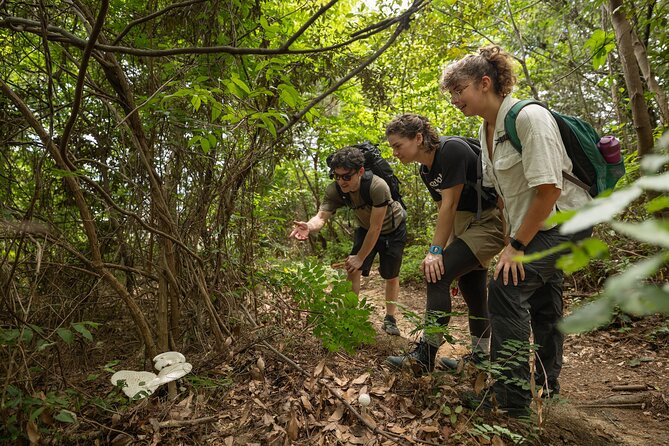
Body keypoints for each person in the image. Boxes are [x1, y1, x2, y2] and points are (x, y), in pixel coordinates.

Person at [439, 45, 592, 416]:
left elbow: (550, 188)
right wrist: (512, 241)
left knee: (505, 289)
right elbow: (506, 196)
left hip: (567, 223)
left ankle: (511, 401)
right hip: (534, 227)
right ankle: (546, 385)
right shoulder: (485, 128)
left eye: (459, 90)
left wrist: (518, 245)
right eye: (451, 93)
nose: (455, 98)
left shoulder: (529, 118)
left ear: (485, 83)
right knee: (542, 301)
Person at [384, 113, 505, 375]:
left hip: (489, 222)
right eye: (392, 147)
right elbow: (444, 211)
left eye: (397, 145)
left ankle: (424, 357)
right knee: (471, 287)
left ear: (418, 138)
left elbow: (450, 204)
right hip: (466, 226)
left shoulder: (450, 150)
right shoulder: (425, 170)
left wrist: (436, 254)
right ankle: (481, 359)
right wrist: (449, 256)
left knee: (436, 276)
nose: (394, 153)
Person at [289, 146, 407, 336]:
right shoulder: (335, 190)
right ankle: (349, 315)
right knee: (353, 270)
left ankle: (390, 318)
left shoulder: (377, 186)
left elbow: (377, 227)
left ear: (360, 171)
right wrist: (309, 227)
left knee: (390, 274)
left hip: (392, 229)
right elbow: (321, 216)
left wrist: (361, 257)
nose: (341, 181)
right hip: (366, 228)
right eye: (336, 176)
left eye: (346, 176)